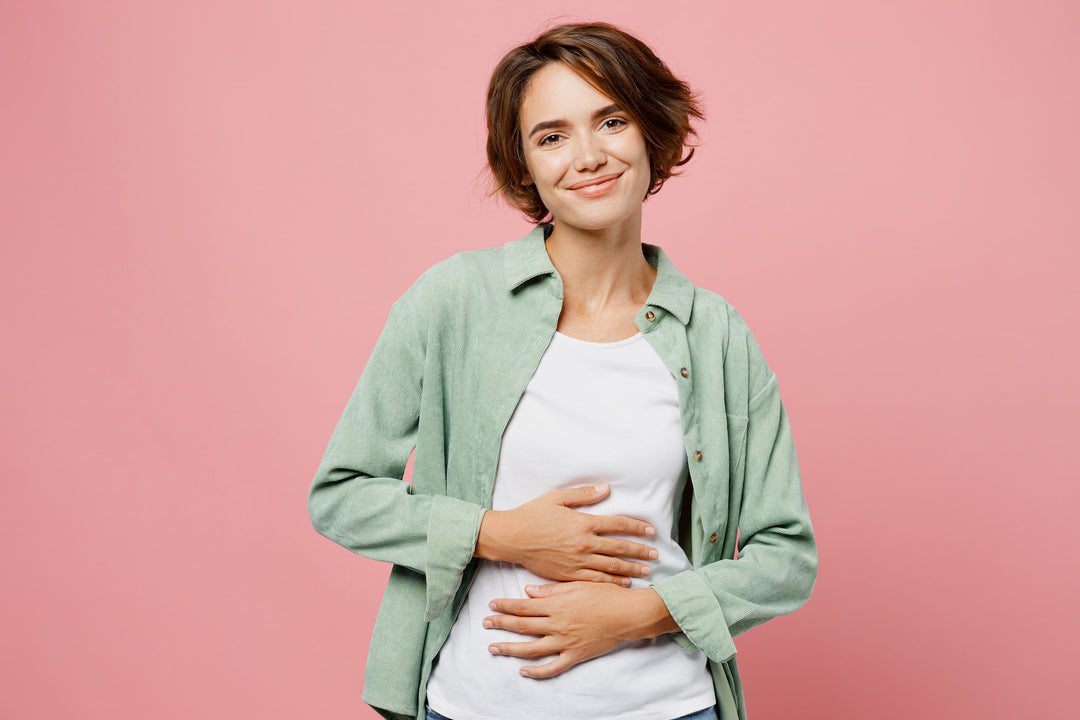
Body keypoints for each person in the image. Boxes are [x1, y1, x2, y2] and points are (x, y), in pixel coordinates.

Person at [308, 21, 817, 720]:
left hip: (668, 708)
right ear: (523, 166)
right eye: (552, 136)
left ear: (650, 132)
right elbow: (341, 495)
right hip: (476, 706)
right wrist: (500, 534)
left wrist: (636, 615)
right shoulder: (454, 301)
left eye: (611, 120)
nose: (588, 156)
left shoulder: (717, 336)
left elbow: (785, 556)